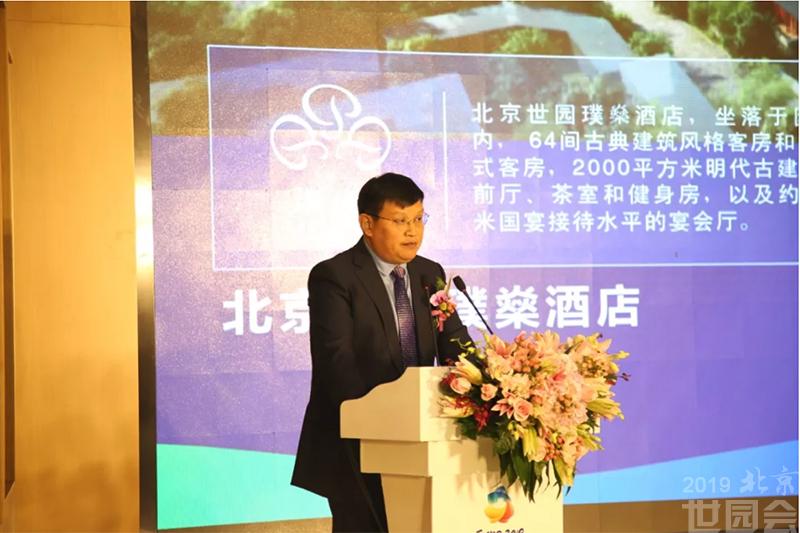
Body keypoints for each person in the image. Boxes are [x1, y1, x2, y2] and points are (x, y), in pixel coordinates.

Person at [291, 172, 472, 532]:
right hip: (357, 444)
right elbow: (336, 363)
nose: (413, 231)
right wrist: (392, 414)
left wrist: (483, 382)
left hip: (424, 441)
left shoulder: (429, 273)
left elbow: (455, 344)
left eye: (418, 219)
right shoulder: (334, 276)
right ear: (368, 224)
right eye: (401, 221)